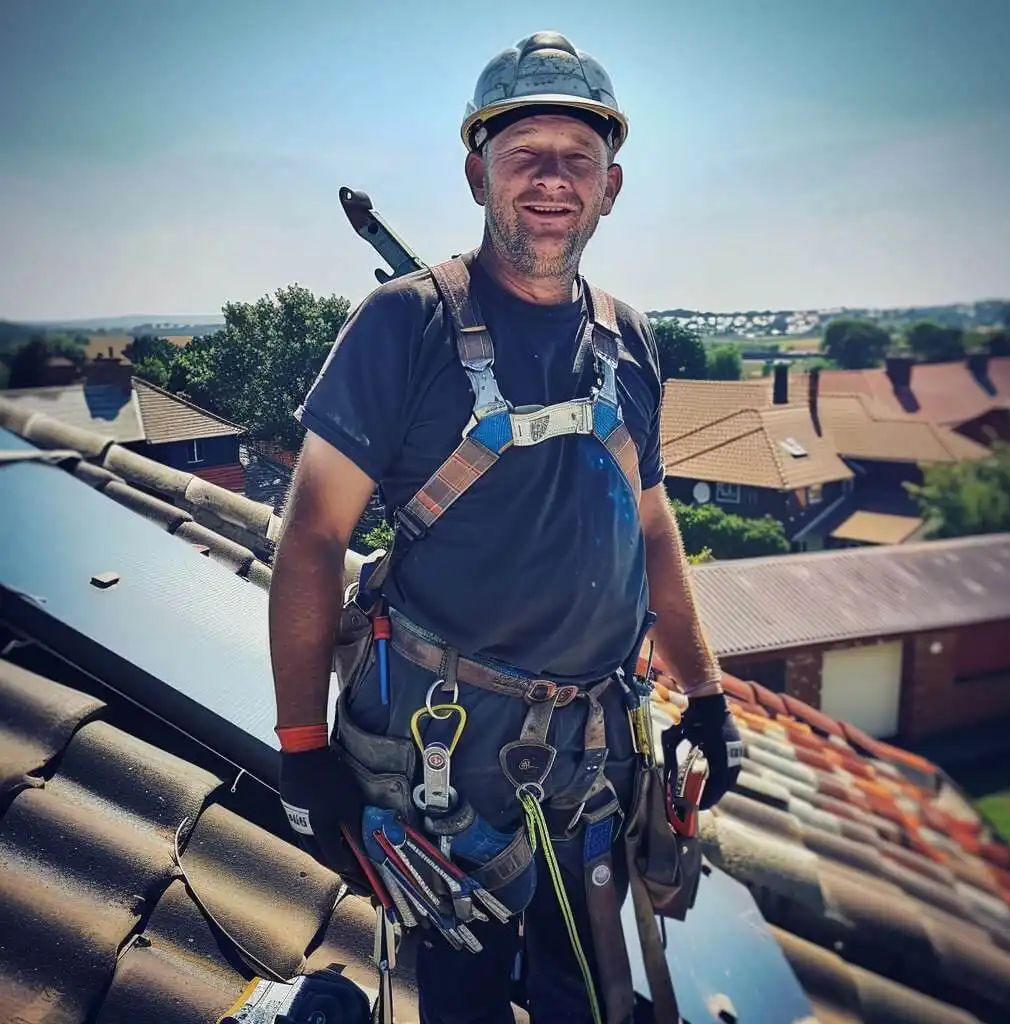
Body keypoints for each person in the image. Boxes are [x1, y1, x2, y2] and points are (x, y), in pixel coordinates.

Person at [268, 31, 741, 1024]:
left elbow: (652, 528)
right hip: (449, 756)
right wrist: (304, 742)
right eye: (525, 154)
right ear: (476, 170)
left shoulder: (628, 339)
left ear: (612, 185)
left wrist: (703, 691)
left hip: (599, 750)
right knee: (468, 1001)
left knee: (586, 987)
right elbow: (313, 537)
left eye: (579, 159)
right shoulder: (404, 324)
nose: (552, 180)